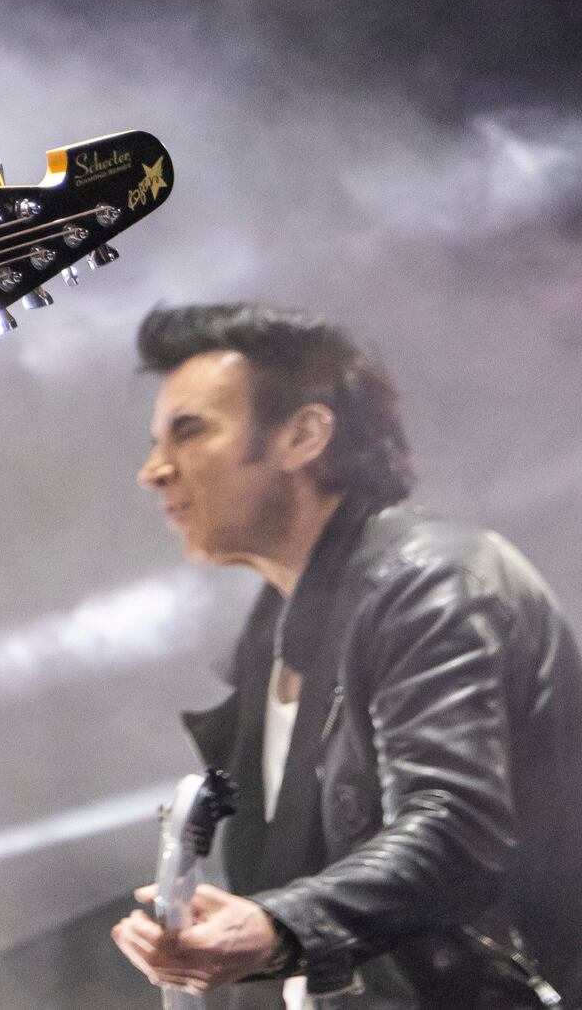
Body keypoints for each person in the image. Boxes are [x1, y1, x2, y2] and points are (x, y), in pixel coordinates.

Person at [110, 304, 580, 1008]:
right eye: (158, 440)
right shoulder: (273, 638)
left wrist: (277, 927)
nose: (154, 471)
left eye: (191, 430)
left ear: (303, 436)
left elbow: (455, 828)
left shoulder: (435, 582)